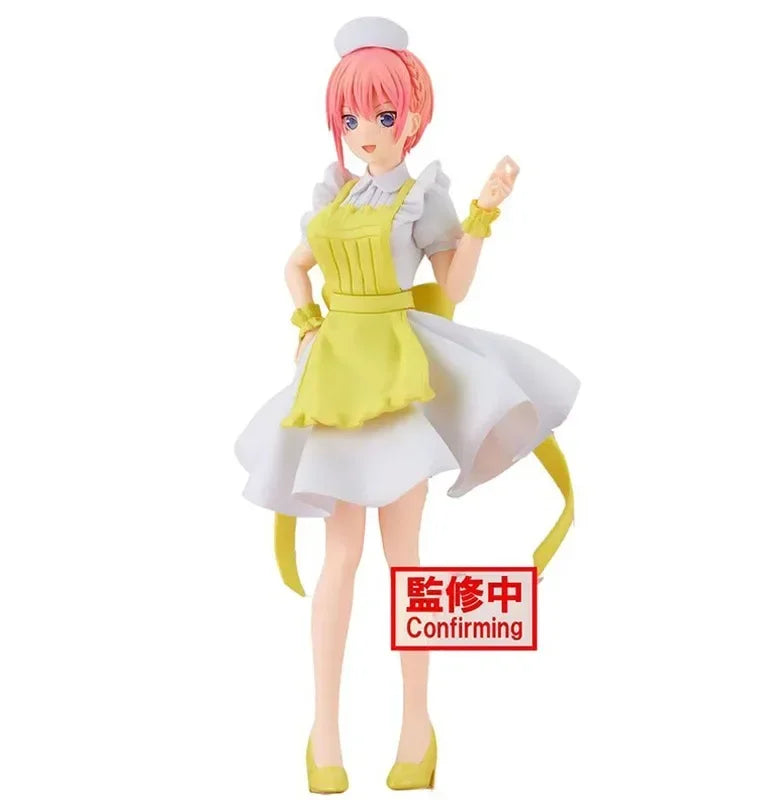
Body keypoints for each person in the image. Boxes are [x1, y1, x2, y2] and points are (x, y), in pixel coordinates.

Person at [235, 16, 580, 793]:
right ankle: (324, 732)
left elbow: (452, 286)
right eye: (353, 118)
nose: (367, 133)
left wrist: (483, 217)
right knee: (341, 557)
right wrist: (305, 321)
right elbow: (295, 264)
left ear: (412, 115)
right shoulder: (336, 192)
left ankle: (416, 726)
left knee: (404, 559)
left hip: (395, 376)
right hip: (336, 377)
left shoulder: (422, 197)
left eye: (383, 116)